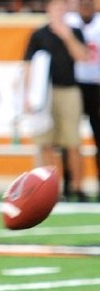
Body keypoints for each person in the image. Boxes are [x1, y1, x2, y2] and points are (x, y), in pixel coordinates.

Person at [23, 0, 88, 202]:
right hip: (43, 94)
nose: (59, 11)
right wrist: (27, 95)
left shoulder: (75, 31)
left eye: (63, 7)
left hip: (68, 89)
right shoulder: (39, 34)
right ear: (48, 9)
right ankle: (51, 189)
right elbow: (28, 65)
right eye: (56, 7)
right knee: (45, 143)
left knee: (72, 142)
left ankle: (78, 187)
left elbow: (83, 57)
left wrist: (67, 36)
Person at [65, 0, 100, 202]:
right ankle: (70, 184)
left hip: (96, 85)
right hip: (74, 85)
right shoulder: (69, 22)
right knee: (69, 140)